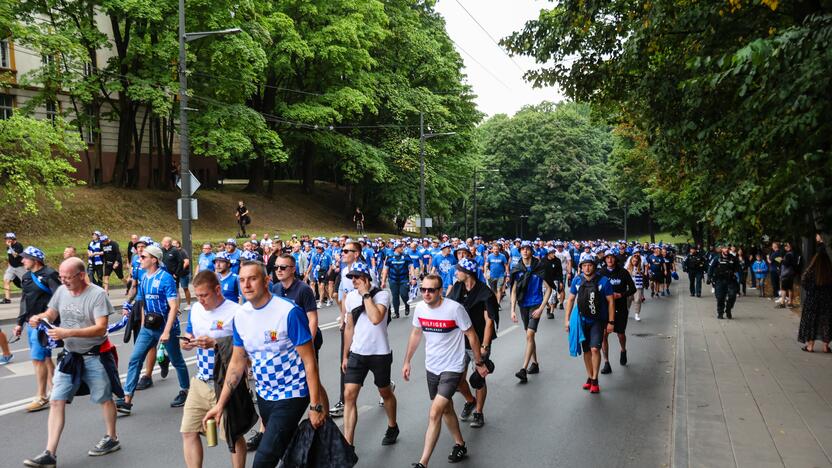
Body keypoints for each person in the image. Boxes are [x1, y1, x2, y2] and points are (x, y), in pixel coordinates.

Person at [203, 260, 327, 468]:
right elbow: (236, 362)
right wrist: (220, 404)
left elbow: (309, 361)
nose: (246, 285)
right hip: (265, 395)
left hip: (292, 393)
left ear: (266, 281)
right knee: (287, 452)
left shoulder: (288, 312)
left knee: (263, 460)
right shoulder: (241, 316)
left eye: (252, 278)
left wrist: (315, 405)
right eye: (242, 280)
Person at [23, 257, 120, 468]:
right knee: (56, 400)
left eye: (68, 277)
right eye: (61, 276)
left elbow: (101, 328)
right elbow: (52, 312)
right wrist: (40, 317)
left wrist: (68, 332)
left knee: (104, 398)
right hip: (69, 356)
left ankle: (111, 438)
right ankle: (50, 453)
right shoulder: (61, 291)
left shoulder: (97, 295)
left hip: (94, 355)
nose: (64, 281)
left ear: (82, 275)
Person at [402, 274, 489, 468]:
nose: (426, 293)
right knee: (446, 408)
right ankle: (460, 443)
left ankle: (423, 462)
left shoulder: (454, 309)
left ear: (440, 291)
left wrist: (479, 362)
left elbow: (472, 336)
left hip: (453, 366)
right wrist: (407, 361)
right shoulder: (420, 309)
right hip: (432, 366)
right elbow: (416, 334)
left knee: (435, 412)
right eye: (423, 289)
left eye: (431, 290)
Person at [180, 270, 247, 468]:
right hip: (201, 381)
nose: (200, 300)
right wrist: (187, 342)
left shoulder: (236, 312)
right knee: (189, 431)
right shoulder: (196, 310)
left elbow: (246, 350)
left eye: (204, 295)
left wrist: (216, 343)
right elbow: (189, 332)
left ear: (218, 290)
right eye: (197, 295)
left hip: (225, 382)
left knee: (233, 436)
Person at [117, 244, 191, 414]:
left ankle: (185, 391)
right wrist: (143, 323)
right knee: (135, 359)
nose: (139, 259)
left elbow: (173, 307)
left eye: (143, 257)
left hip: (167, 328)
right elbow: (142, 303)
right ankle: (127, 399)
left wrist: (166, 331)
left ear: (154, 260)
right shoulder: (143, 277)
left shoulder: (166, 278)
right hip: (148, 328)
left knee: (177, 359)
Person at [341, 262, 399, 450]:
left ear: (367, 278)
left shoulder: (382, 294)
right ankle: (348, 444)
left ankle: (392, 426)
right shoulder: (350, 298)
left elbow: (376, 318)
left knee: (384, 392)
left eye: (357, 277)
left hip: (379, 353)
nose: (354, 281)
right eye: (352, 278)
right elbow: (349, 327)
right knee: (349, 394)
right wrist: (345, 355)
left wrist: (366, 295)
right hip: (357, 353)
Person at [446, 258, 498, 429]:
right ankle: (470, 400)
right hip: (459, 342)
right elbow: (448, 308)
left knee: (478, 378)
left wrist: (484, 346)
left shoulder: (485, 293)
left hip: (478, 341)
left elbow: (489, 321)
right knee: (459, 380)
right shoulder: (458, 287)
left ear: (467, 273)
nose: (456, 272)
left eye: (458, 270)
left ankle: (479, 412)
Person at [13, 246, 61, 412]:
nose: (22, 260)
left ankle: (41, 397)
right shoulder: (26, 277)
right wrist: (19, 323)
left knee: (37, 359)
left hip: (43, 324)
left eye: (25, 258)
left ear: (35, 260)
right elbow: (24, 301)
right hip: (30, 323)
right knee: (45, 358)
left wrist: (45, 317)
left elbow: (59, 298)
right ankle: (56, 390)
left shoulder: (49, 274)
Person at [563, 256, 615, 394]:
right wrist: (567, 320)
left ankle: (595, 380)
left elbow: (611, 302)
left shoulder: (604, 281)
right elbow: (570, 300)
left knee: (595, 350)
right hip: (581, 320)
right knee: (586, 351)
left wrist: (611, 322)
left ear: (594, 266)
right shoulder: (577, 280)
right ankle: (590, 376)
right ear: (581, 267)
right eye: (584, 265)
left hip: (598, 321)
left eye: (589, 265)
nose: (587, 268)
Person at [509, 241, 553, 383]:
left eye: (528, 249)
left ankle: (523, 369)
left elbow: (549, 289)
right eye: (523, 249)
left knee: (529, 334)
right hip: (523, 305)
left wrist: (541, 308)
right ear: (520, 251)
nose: (525, 251)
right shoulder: (516, 268)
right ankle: (535, 364)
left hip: (535, 304)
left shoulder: (539, 267)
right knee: (529, 337)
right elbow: (514, 290)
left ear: (531, 251)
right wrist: (512, 310)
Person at [599, 250, 636, 374]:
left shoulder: (623, 272)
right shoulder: (601, 273)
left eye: (612, 258)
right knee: (604, 335)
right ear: (604, 260)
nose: (609, 260)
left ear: (615, 259)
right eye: (607, 258)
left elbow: (633, 289)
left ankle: (623, 349)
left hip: (620, 307)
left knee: (620, 334)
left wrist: (621, 295)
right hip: (605, 308)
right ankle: (606, 362)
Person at [797, 249, 832, 352]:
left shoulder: (810, 271)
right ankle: (826, 346)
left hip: (812, 300)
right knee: (826, 322)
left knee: (811, 322)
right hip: (827, 300)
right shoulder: (830, 272)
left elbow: (803, 281)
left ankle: (810, 346)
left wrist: (810, 290)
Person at [381, 241, 417, 319]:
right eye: (400, 247)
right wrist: (383, 281)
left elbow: (411, 267)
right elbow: (385, 270)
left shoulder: (406, 256)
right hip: (393, 280)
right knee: (395, 296)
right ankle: (396, 313)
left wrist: (413, 278)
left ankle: (407, 305)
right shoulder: (390, 257)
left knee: (404, 294)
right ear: (396, 248)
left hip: (404, 279)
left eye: (402, 246)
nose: (402, 248)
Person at [708, 243, 741, 319]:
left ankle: (728, 309)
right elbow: (711, 267)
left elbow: (739, 269)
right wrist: (709, 277)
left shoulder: (733, 258)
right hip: (720, 280)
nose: (726, 250)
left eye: (727, 248)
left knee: (732, 296)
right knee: (720, 297)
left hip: (730, 280)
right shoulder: (717, 258)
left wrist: (741, 278)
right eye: (724, 248)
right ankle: (720, 312)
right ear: (722, 249)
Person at [4, 232, 25, 303]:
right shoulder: (8, 247)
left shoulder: (19, 245)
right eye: (6, 239)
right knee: (6, 281)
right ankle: (7, 299)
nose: (7, 240)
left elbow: (15, 255)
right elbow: (10, 257)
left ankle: (27, 296)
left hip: (20, 267)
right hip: (11, 267)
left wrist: (10, 246)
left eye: (9, 239)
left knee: (25, 282)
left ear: (13, 239)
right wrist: (9, 265)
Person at [625, 254, 646, 321]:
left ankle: (637, 314)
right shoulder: (627, 267)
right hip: (629, 286)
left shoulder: (640, 267)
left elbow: (643, 275)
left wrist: (640, 272)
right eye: (633, 261)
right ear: (631, 260)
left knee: (637, 300)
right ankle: (627, 311)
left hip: (638, 286)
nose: (635, 262)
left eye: (636, 261)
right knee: (628, 300)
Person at [778, 242, 798, 308]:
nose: (785, 247)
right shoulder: (794, 254)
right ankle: (790, 302)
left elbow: (786, 263)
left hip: (786, 274)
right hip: (791, 273)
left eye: (786, 246)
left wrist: (781, 260)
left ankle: (782, 302)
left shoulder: (788, 254)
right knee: (790, 288)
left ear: (789, 247)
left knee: (783, 289)